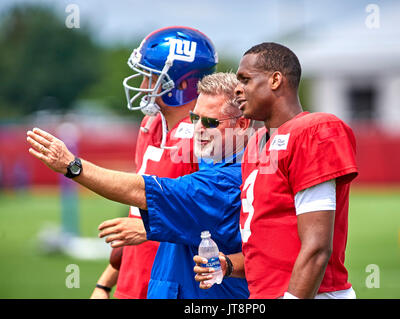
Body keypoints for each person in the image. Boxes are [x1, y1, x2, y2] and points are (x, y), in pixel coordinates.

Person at [26, 72, 251, 299]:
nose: (199, 128)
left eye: (210, 122)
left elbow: (144, 191)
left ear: (242, 124)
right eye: (195, 118)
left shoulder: (226, 181)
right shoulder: (207, 160)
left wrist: (72, 166)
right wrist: (105, 283)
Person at [194, 42, 358, 299]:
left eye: (245, 79)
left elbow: (317, 247)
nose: (237, 88)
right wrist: (227, 265)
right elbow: (268, 254)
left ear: (275, 80)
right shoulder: (256, 145)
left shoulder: (312, 131)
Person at [90, 26, 218, 299]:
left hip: (175, 284)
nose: (145, 85)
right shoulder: (151, 126)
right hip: (132, 281)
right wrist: (105, 283)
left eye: (151, 76)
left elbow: (215, 221)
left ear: (182, 84)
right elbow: (137, 216)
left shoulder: (206, 137)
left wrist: (153, 229)